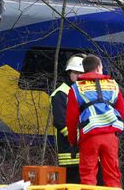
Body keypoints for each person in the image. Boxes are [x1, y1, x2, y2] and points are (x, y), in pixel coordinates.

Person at [66, 55, 124, 187]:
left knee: (88, 176)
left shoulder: (76, 88)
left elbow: (71, 119)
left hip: (89, 136)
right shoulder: (112, 85)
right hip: (110, 136)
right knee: (112, 175)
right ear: (99, 67)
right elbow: (122, 111)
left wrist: (73, 141)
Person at [51, 55, 84, 183]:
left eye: (81, 73)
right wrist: (79, 139)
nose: (79, 76)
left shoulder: (82, 92)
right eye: (76, 72)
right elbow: (61, 123)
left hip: (85, 153)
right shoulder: (61, 93)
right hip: (70, 154)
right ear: (69, 73)